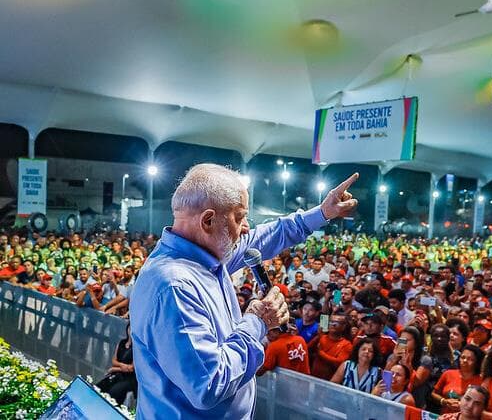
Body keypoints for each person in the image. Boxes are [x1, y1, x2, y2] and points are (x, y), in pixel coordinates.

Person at [130, 164, 359, 419]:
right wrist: (257, 322)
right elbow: (209, 385)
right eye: (239, 217)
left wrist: (323, 212)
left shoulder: (207, 256)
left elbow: (269, 235)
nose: (247, 227)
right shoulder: (174, 286)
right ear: (208, 221)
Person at [432, 345, 484, 414]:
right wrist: (444, 401)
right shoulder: (448, 374)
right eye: (463, 357)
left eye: (470, 359)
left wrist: (464, 406)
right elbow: (434, 393)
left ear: (477, 362)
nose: (465, 361)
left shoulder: (482, 381)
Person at [96, 323, 137, 406]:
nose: (131, 331)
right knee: (99, 387)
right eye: (129, 328)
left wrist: (115, 369)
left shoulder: (137, 348)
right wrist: (122, 366)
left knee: (114, 392)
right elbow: (114, 361)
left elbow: (131, 368)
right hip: (117, 374)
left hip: (129, 379)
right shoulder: (122, 342)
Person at [308, 313, 352, 380]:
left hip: (330, 381)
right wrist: (318, 336)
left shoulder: (347, 344)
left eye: (337, 322)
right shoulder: (322, 337)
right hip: (313, 377)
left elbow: (338, 362)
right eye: (331, 321)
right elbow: (307, 350)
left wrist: (321, 353)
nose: (333, 324)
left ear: (344, 326)